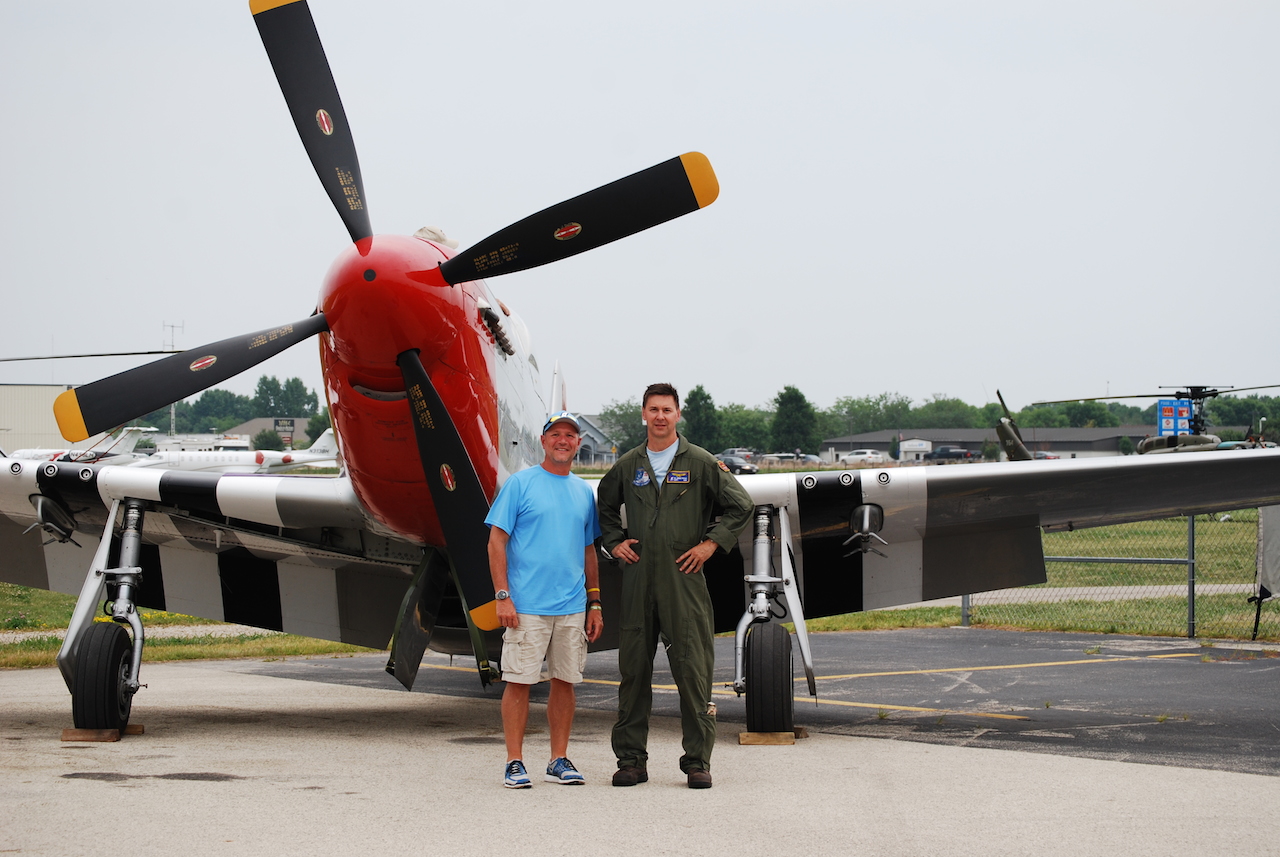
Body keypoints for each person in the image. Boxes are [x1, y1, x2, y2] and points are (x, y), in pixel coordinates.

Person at [597, 383, 754, 789]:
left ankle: (697, 762)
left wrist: (709, 545)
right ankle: (631, 761)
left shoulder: (700, 462)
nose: (660, 416)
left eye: (667, 410)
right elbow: (605, 503)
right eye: (653, 409)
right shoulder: (629, 464)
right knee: (634, 671)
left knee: (692, 670)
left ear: (678, 415)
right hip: (637, 580)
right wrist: (614, 541)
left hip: (683, 579)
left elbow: (741, 505)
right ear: (644, 414)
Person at [486, 411, 604, 789]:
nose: (562, 441)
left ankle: (558, 759)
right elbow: (496, 541)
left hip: (571, 607)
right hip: (526, 608)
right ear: (543, 441)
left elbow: (588, 550)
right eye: (556, 434)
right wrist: (503, 597)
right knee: (519, 681)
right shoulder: (520, 484)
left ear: (578, 443)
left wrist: (594, 602)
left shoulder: (583, 492)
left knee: (565, 682)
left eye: (570, 435)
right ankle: (514, 761)